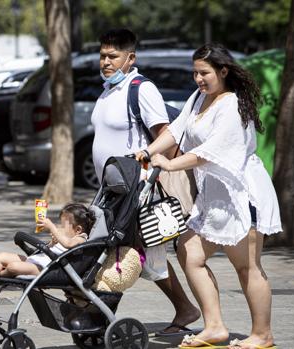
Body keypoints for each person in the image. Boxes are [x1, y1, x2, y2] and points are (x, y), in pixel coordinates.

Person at [136, 43, 282, 349]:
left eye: (204, 73)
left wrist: (171, 164)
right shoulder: (200, 97)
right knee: (190, 251)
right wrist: (149, 151)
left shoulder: (231, 104)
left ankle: (262, 335)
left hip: (242, 194)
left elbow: (211, 152)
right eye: (195, 73)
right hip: (213, 197)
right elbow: (175, 131)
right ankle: (214, 327)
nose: (198, 79)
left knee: (247, 267)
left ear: (223, 71)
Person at [91, 28, 201, 336]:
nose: (105, 62)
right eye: (102, 56)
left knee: (127, 250)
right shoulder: (108, 91)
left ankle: (100, 316)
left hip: (137, 189)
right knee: (132, 251)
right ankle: (183, 308)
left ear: (131, 58)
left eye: (112, 56)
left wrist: (149, 161)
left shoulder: (141, 88)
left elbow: (167, 135)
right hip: (112, 189)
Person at [0, 203, 95, 294]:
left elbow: (68, 245)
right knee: (2, 256)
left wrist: (52, 227)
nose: (60, 227)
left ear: (78, 229)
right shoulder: (64, 236)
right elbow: (52, 248)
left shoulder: (80, 238)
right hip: (37, 259)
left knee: (14, 267)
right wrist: (52, 243)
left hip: (46, 268)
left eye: (64, 224)